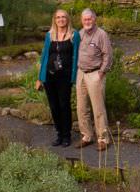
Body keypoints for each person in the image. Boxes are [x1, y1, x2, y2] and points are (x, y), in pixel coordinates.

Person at [36, 9, 80, 147]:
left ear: (67, 19)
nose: (61, 19)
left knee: (64, 105)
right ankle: (59, 134)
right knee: (54, 106)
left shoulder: (74, 35)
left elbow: (76, 56)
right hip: (50, 76)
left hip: (65, 77)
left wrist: (74, 77)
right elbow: (44, 56)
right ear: (54, 20)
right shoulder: (50, 35)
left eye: (63, 17)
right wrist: (40, 77)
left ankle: (67, 136)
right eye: (58, 17)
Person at [74, 8, 114, 151]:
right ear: (81, 20)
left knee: (98, 108)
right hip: (81, 74)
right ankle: (86, 136)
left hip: (95, 74)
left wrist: (101, 73)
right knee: (81, 108)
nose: (87, 21)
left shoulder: (101, 34)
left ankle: (103, 139)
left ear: (94, 19)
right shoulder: (79, 33)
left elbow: (108, 55)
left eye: (89, 19)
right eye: (85, 19)